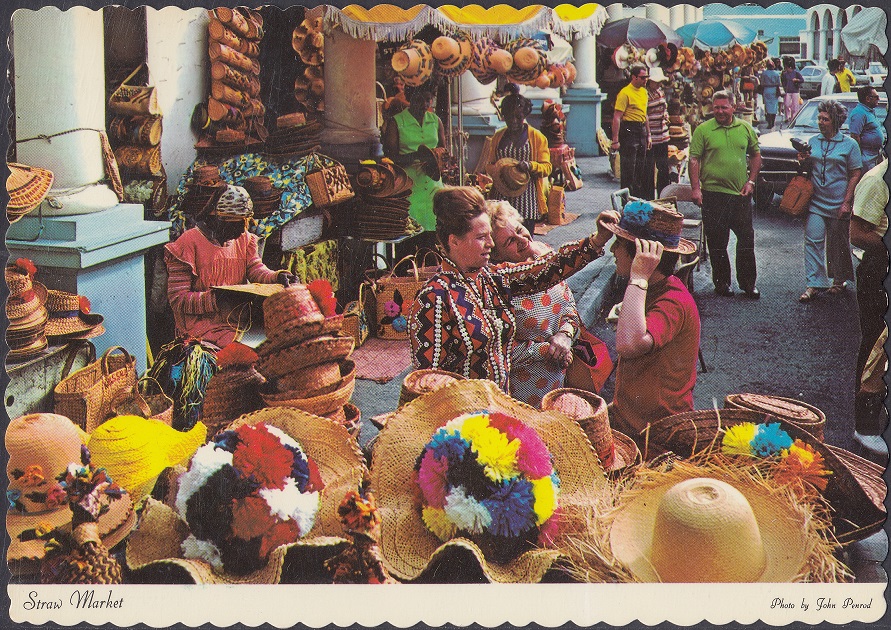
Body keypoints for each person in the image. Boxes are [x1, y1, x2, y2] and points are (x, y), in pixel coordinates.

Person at [408, 186, 616, 392]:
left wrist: (597, 240)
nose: (490, 243)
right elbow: (427, 382)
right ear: (454, 241)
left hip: (499, 403)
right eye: (481, 237)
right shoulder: (435, 297)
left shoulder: (491, 278)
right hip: (464, 409)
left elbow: (546, 269)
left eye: (489, 235)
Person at [602, 200, 701, 437]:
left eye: (619, 243)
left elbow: (629, 345)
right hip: (635, 421)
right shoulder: (655, 288)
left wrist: (638, 276)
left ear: (641, 254)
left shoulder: (672, 300)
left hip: (656, 432)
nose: (613, 250)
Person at [164, 184, 296, 349]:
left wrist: (277, 276)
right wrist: (215, 299)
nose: (241, 231)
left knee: (280, 337)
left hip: (237, 321)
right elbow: (178, 299)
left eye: (244, 225)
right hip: (202, 327)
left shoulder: (244, 239)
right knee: (250, 350)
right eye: (235, 225)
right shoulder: (187, 244)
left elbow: (255, 269)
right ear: (216, 220)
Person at [485, 200, 581, 407]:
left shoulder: (545, 253)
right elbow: (498, 349)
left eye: (520, 230)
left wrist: (565, 335)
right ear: (495, 253)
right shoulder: (497, 284)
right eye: (510, 241)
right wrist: (549, 350)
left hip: (558, 380)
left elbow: (569, 305)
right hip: (522, 392)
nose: (522, 240)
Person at [689, 90, 762, 298]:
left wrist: (751, 181)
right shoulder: (703, 130)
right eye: (716, 108)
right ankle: (722, 284)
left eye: (724, 107)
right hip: (713, 195)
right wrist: (696, 189)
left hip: (740, 195)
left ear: (733, 107)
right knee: (717, 242)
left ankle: (748, 284)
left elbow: (756, 155)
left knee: (746, 239)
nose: (720, 111)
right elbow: (694, 159)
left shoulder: (745, 128)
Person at [799, 100, 862, 302]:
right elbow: (808, 168)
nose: (820, 122)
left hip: (838, 202)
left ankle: (839, 280)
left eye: (825, 119)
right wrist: (803, 160)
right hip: (816, 201)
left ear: (835, 121)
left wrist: (847, 202)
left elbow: (855, 173)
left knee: (837, 244)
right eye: (819, 118)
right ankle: (814, 283)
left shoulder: (849, 144)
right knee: (813, 240)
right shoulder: (813, 141)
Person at [849, 159, 888, 455]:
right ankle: (865, 427)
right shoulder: (877, 180)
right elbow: (857, 233)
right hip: (879, 271)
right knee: (877, 344)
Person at [383, 82, 447, 253]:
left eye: (428, 100)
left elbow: (443, 151)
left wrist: (437, 159)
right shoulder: (397, 122)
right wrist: (417, 156)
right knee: (408, 245)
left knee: (433, 247)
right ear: (410, 98)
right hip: (408, 190)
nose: (424, 104)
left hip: (433, 189)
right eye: (419, 100)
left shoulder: (435, 121)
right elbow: (391, 158)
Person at [481, 83, 552, 235]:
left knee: (525, 239)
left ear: (524, 115)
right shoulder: (498, 137)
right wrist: (497, 169)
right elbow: (489, 165)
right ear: (504, 116)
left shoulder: (537, 137)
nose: (513, 120)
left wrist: (530, 166)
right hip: (501, 198)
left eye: (518, 117)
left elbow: (547, 167)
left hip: (527, 200)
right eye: (509, 117)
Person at [611, 64, 651, 199]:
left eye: (646, 77)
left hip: (641, 129)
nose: (645, 80)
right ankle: (625, 202)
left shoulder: (644, 92)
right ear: (634, 77)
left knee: (640, 168)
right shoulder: (625, 93)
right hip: (629, 130)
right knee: (629, 169)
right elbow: (617, 117)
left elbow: (645, 114)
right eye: (642, 77)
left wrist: (648, 135)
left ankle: (636, 200)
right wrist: (615, 140)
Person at [644, 66, 671, 199]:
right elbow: (644, 114)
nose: (659, 84)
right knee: (649, 169)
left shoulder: (660, 92)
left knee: (663, 167)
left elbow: (664, 108)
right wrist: (648, 134)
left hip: (663, 135)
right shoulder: (645, 94)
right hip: (652, 135)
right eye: (656, 82)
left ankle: (663, 196)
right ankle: (649, 197)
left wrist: (665, 115)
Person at [849, 85, 886, 171]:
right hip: (866, 158)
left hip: (875, 155)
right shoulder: (859, 113)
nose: (879, 99)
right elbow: (855, 136)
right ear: (868, 99)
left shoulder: (869, 111)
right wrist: (858, 157)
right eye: (876, 97)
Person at [780, 56, 804, 125]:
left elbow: (802, 80)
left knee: (795, 106)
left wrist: (797, 80)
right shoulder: (784, 74)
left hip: (795, 91)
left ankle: (794, 118)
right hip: (788, 91)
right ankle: (787, 117)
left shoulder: (796, 73)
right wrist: (784, 88)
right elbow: (783, 82)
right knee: (787, 104)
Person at [760, 59, 781, 129]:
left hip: (766, 90)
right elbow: (779, 83)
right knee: (774, 107)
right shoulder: (776, 73)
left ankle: (769, 123)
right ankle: (773, 122)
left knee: (768, 106)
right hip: (774, 90)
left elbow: (762, 83)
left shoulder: (764, 73)